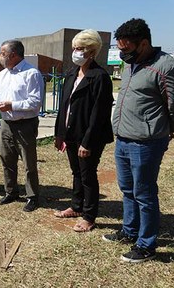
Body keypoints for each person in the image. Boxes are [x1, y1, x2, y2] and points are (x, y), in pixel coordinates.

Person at [102, 18, 174, 263]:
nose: (122, 54)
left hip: (146, 142)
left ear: (143, 43)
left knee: (144, 194)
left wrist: (167, 130)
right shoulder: (130, 65)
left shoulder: (165, 66)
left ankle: (146, 245)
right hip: (123, 138)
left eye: (126, 49)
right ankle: (129, 230)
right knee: (127, 190)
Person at [53, 29, 114, 232]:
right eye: (74, 48)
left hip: (90, 136)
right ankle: (76, 206)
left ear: (91, 51)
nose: (75, 52)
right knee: (76, 172)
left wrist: (87, 142)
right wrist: (59, 133)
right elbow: (64, 106)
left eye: (79, 49)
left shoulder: (99, 77)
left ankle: (89, 216)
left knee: (88, 175)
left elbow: (99, 114)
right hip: (71, 133)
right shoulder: (72, 73)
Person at [0, 40, 43, 212]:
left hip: (25, 124)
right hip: (6, 123)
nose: (0, 57)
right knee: (6, 158)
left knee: (28, 162)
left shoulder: (31, 73)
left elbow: (35, 102)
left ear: (13, 55)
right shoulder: (3, 74)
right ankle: (11, 192)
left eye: (3, 53)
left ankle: (32, 196)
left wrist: (12, 105)